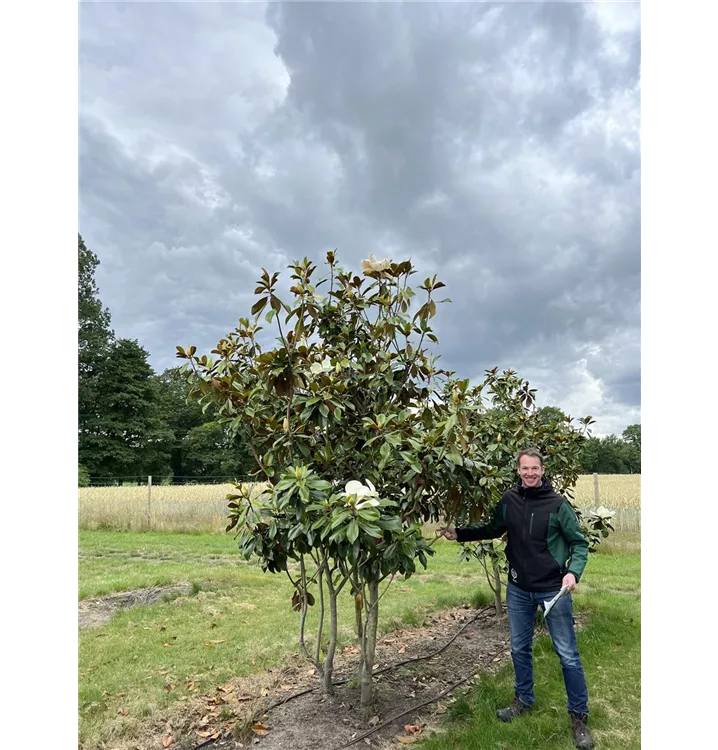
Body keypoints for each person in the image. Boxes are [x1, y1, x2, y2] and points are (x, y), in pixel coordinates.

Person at [438, 447, 595, 750]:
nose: (530, 473)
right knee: (519, 648)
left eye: (535, 469)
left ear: (543, 470)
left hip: (554, 589)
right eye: (525, 469)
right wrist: (460, 534)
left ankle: (579, 718)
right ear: (518, 471)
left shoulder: (558, 504)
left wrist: (573, 573)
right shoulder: (509, 501)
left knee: (568, 654)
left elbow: (579, 543)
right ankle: (523, 699)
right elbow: (493, 528)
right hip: (519, 589)